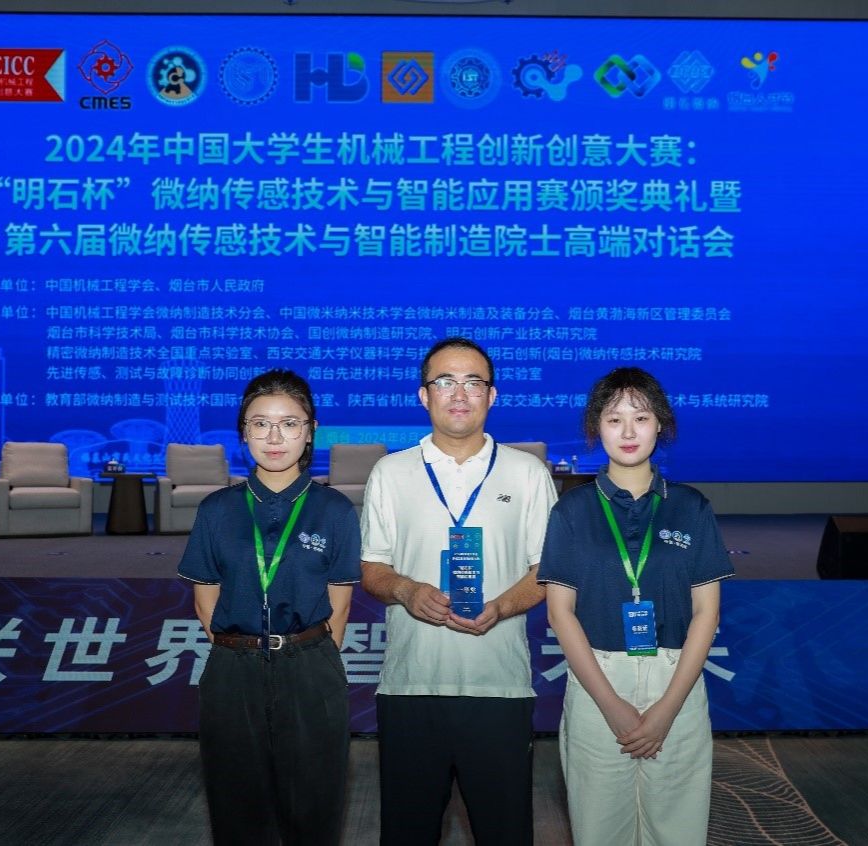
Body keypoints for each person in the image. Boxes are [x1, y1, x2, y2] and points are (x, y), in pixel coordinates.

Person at [360, 337, 558, 845]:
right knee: (407, 833)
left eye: (473, 382)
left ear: (492, 396)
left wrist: (502, 606)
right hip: (411, 687)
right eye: (445, 381)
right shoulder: (391, 472)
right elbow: (372, 568)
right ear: (424, 395)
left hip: (500, 686)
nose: (459, 393)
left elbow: (548, 570)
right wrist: (406, 590)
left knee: (505, 831)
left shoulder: (528, 473)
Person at [539, 367, 734, 846]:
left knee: (678, 829)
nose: (628, 431)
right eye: (614, 419)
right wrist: (611, 706)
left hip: (677, 680)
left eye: (641, 418)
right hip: (598, 681)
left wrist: (668, 708)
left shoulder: (691, 506)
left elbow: (707, 613)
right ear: (596, 428)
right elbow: (560, 613)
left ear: (660, 424)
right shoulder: (571, 511)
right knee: (599, 829)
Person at [177, 369, 359, 846]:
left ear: (310, 431)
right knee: (237, 810)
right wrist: (244, 650)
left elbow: (339, 607)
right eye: (260, 424)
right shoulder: (216, 509)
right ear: (244, 433)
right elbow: (205, 601)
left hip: (310, 668)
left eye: (289, 424)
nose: (274, 438)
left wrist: (303, 656)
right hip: (232, 671)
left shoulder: (335, 510)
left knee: (315, 808)